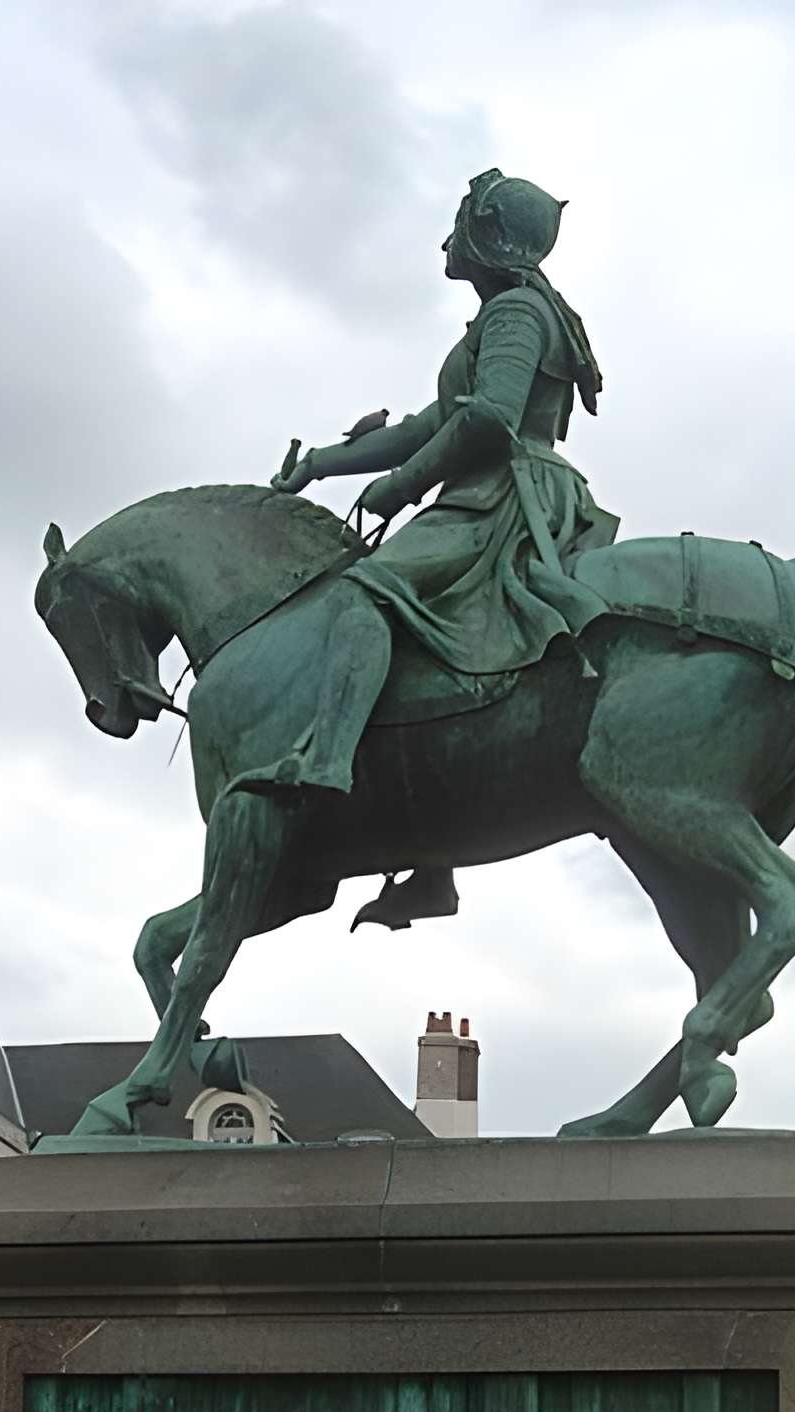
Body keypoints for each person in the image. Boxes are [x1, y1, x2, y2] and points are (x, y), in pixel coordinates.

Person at [269, 168, 615, 929]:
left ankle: (326, 763)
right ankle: (431, 868)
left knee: (364, 594)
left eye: (460, 224)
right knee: (429, 652)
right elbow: (431, 423)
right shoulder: (506, 317)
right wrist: (321, 464)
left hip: (505, 495)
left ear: (490, 236)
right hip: (493, 488)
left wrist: (400, 488)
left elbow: (488, 420)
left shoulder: (520, 312)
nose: (446, 240)